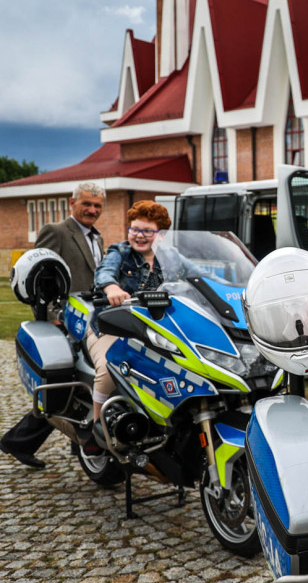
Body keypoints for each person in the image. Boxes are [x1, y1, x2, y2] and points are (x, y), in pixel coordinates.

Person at [0, 182, 105, 469]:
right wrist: (49, 320)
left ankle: (80, 445)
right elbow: (38, 275)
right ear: (72, 203)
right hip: (62, 323)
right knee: (62, 387)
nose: (92, 210)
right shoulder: (56, 232)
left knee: (81, 385)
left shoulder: (98, 238)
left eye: (97, 205)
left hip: (88, 322)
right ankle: (18, 441)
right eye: (87, 204)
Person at [87, 201, 177, 428]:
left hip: (151, 329)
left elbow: (199, 276)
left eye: (147, 230)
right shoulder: (121, 252)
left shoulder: (170, 257)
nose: (139, 235)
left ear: (161, 235)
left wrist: (231, 289)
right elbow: (104, 271)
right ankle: (98, 428)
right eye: (134, 229)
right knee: (110, 368)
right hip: (111, 324)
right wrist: (111, 288)